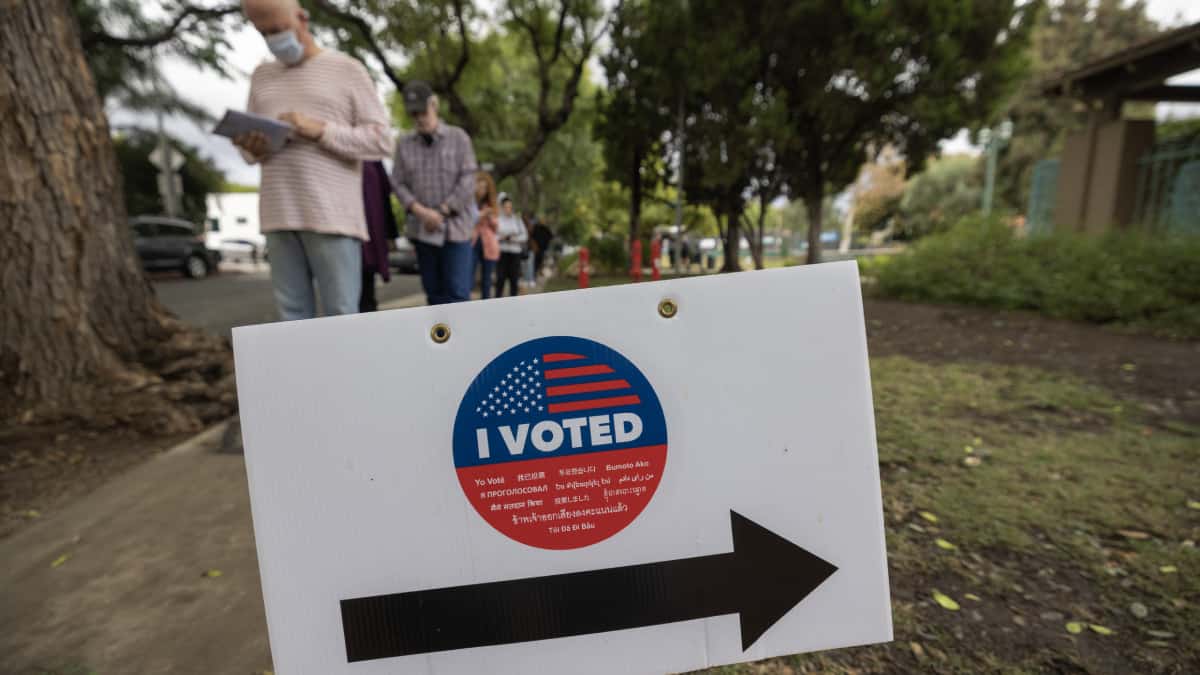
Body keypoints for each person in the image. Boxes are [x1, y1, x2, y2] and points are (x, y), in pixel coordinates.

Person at [235, 0, 393, 320]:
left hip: (332, 217)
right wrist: (252, 146)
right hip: (278, 215)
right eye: (263, 32)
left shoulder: (347, 69)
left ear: (302, 19)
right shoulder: (261, 76)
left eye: (278, 30)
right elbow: (248, 152)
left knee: (341, 316)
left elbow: (381, 140)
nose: (272, 39)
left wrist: (319, 130)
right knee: (291, 317)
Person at [390, 81, 478, 305]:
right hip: (423, 230)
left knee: (457, 294)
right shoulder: (404, 144)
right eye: (414, 113)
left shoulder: (459, 138)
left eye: (423, 111)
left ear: (434, 105)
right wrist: (421, 212)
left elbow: (469, 178)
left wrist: (442, 211)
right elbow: (398, 183)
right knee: (433, 296)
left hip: (456, 229)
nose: (419, 117)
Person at [359, 160, 399, 312]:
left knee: (366, 293)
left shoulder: (371, 158)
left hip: (368, 238)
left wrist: (390, 234)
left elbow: (385, 196)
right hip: (341, 233)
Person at [471, 172, 500, 299]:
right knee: (468, 276)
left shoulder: (491, 205)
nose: (482, 191)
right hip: (472, 241)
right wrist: (481, 214)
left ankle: (486, 305)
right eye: (480, 187)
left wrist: (489, 216)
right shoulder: (469, 203)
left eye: (485, 188)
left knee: (486, 279)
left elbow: (496, 227)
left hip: (489, 245)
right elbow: (468, 221)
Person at [495, 195, 527, 297]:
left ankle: (513, 303)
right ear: (502, 207)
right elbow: (494, 236)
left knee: (514, 280)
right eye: (506, 207)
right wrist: (502, 237)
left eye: (510, 207)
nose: (508, 209)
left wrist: (513, 239)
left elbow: (525, 236)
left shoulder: (517, 220)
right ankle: (497, 302)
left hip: (515, 253)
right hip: (502, 252)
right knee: (500, 279)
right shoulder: (498, 219)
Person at [530, 216, 554, 281]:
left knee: (539, 262)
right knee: (534, 262)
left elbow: (551, 236)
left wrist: (546, 244)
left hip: (542, 249)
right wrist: (533, 245)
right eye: (541, 220)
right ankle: (533, 276)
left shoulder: (546, 229)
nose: (542, 222)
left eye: (543, 221)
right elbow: (531, 236)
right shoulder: (536, 227)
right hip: (535, 248)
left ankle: (536, 275)